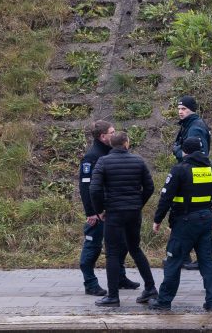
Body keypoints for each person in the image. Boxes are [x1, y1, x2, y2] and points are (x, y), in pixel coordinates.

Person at [150, 137, 212, 311]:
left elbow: (166, 197)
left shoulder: (179, 170)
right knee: (207, 262)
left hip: (184, 221)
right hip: (206, 219)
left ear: (185, 151)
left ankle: (164, 301)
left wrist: (158, 219)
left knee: (173, 261)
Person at [89, 131, 157, 306]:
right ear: (126, 143)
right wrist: (137, 203)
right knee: (135, 248)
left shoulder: (103, 162)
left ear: (111, 144)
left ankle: (113, 296)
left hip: (113, 212)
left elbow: (94, 190)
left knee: (112, 253)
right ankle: (150, 288)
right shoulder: (138, 161)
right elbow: (149, 187)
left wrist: (100, 210)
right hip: (133, 212)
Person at [78, 120, 137, 296]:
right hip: (98, 211)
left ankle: (120, 277)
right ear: (103, 136)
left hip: (114, 209)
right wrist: (91, 212)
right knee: (93, 246)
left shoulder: (112, 152)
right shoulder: (92, 157)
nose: (115, 133)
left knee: (121, 243)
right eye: (112, 132)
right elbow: (85, 186)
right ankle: (90, 283)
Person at [172, 95, 210, 270]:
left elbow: (194, 154)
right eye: (179, 109)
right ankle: (186, 255)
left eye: (184, 109)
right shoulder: (189, 125)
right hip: (192, 174)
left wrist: (177, 150)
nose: (180, 112)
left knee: (189, 214)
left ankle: (197, 256)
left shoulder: (195, 128)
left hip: (193, 176)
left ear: (192, 110)